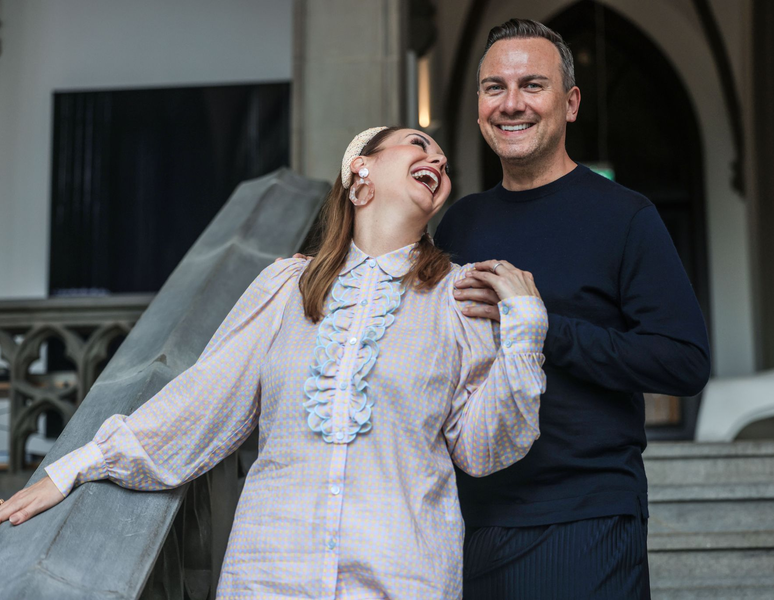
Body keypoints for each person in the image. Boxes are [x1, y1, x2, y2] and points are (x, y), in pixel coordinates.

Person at [0, 126, 548, 599]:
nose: (439, 160)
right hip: (270, 572)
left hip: (402, 574)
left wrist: (525, 330)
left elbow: (484, 448)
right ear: (361, 173)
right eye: (417, 144)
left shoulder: (458, 299)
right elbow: (203, 398)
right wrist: (79, 464)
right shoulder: (286, 288)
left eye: (444, 161)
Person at [434, 19, 711, 599]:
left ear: (572, 102)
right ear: (479, 103)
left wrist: (540, 327)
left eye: (532, 85)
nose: (511, 104)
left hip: (586, 513)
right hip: (473, 515)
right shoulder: (460, 222)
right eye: (494, 88)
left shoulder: (626, 216)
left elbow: (683, 361)